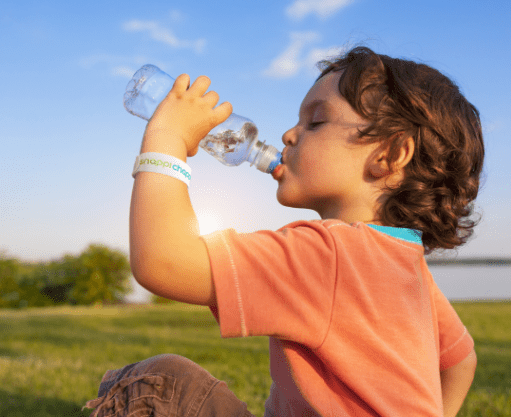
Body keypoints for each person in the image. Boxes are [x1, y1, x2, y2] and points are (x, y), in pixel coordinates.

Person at [84, 46, 482, 417]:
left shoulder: (330, 255)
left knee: (164, 383)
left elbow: (163, 261)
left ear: (389, 156)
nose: (290, 135)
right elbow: (461, 360)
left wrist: (166, 137)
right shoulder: (406, 267)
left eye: (316, 121)